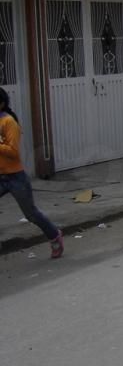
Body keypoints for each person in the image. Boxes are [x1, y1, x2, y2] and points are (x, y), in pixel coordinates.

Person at [0, 88, 63, 258]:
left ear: (2, 104)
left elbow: (13, 151)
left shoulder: (9, 123)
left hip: (15, 177)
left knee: (31, 214)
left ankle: (54, 236)